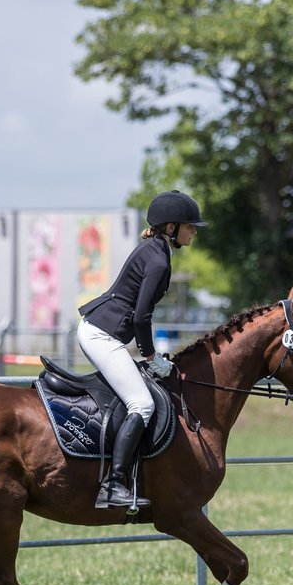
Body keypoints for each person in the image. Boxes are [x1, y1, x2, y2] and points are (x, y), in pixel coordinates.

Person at [77, 190, 207, 508]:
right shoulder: (159, 259)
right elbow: (141, 317)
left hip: (103, 331)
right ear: (171, 227)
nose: (194, 231)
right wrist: (150, 357)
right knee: (142, 404)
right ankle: (112, 485)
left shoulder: (154, 249)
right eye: (190, 226)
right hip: (101, 335)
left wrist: (149, 356)